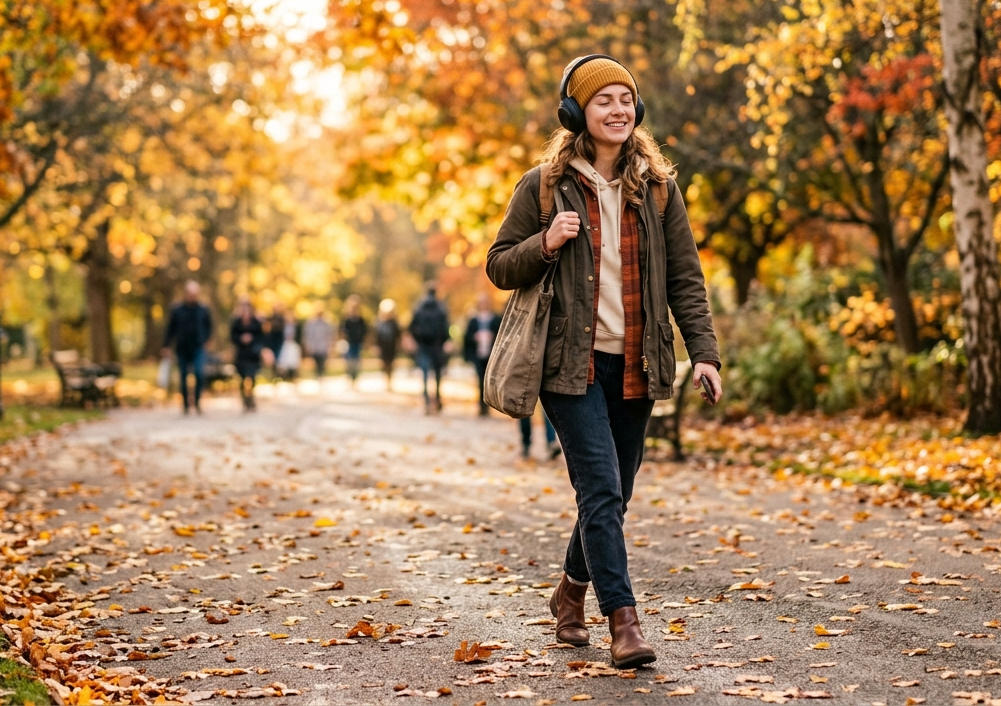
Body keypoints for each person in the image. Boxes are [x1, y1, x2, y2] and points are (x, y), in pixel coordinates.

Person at [485, 55, 723, 669]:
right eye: (603, 101)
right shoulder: (544, 185)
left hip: (639, 364)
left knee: (613, 497)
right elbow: (499, 263)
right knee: (599, 488)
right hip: (571, 367)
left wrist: (705, 354)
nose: (617, 110)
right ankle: (625, 623)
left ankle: (569, 592)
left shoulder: (659, 188)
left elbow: (686, 281)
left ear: (636, 110)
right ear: (577, 114)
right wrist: (546, 242)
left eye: (625, 99)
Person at [163, 280, 213, 415]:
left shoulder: (203, 309)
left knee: (198, 373)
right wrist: (167, 345)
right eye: (190, 293)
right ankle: (185, 404)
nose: (192, 295)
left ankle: (196, 402)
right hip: (182, 347)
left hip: (198, 347)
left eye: (194, 293)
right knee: (183, 375)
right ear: (186, 293)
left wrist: (207, 340)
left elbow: (209, 327)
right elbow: (170, 329)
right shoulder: (177, 309)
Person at [408, 282, 451, 414]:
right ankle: (437, 399)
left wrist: (416, 340)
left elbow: (411, 326)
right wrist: (446, 341)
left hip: (423, 344)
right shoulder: (441, 307)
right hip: (437, 345)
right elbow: (445, 327)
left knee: (425, 373)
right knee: (437, 374)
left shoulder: (419, 307)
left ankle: (426, 400)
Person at [463, 293, 502, 416]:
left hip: (492, 354)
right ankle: (482, 405)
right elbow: (467, 337)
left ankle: (488, 404)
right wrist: (475, 337)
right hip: (478, 354)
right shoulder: (473, 320)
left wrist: (492, 336)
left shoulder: (496, 319)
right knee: (480, 380)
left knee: (490, 381)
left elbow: (501, 335)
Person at [229, 298, 264, 411]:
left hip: (253, 354)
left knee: (252, 377)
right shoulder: (236, 322)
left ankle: (251, 397)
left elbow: (261, 338)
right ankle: (244, 399)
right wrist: (241, 339)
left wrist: (252, 340)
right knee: (242, 377)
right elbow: (232, 337)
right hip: (241, 354)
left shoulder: (256, 323)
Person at [374, 298, 402, 389]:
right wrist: (376, 346)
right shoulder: (379, 323)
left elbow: (398, 335)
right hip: (383, 346)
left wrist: (399, 344)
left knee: (391, 363)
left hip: (391, 346)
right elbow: (376, 336)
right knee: (384, 363)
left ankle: (389, 380)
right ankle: (386, 379)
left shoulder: (394, 323)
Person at [341, 295, 368, 385]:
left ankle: (355, 378)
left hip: (358, 343)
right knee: (349, 361)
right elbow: (342, 331)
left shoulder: (361, 320)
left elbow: (365, 332)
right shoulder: (347, 320)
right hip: (349, 343)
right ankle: (350, 377)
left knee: (356, 362)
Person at [302, 303, 334, 377]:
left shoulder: (327, 324)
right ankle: (317, 377)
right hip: (314, 347)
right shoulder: (310, 323)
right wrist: (308, 345)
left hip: (323, 347)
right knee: (315, 364)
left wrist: (330, 346)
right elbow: (307, 335)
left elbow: (330, 335)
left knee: (322, 364)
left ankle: (321, 377)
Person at [275, 310, 301, 380]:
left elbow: (299, 336)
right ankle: (284, 377)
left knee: (293, 362)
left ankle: (293, 376)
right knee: (284, 362)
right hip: (285, 345)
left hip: (293, 345)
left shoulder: (297, 326)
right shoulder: (283, 326)